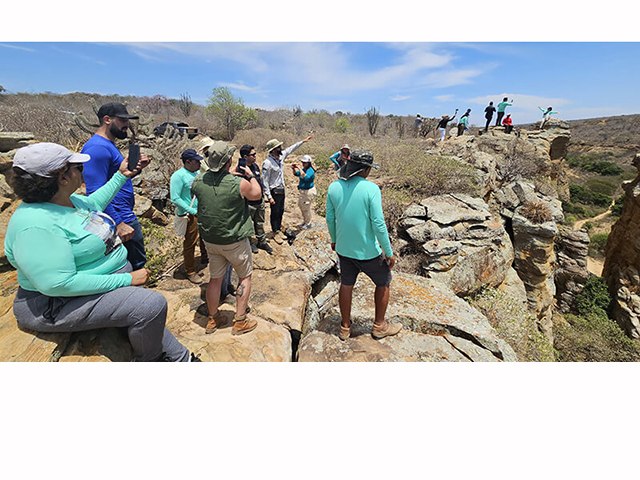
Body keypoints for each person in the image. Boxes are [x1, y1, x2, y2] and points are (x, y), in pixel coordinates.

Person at [4, 142, 197, 362]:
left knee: (144, 308)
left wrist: (121, 175)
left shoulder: (65, 202)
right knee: (151, 306)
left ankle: (182, 358)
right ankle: (151, 359)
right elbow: (58, 284)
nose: (81, 172)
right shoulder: (36, 224)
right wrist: (126, 279)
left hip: (86, 286)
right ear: (63, 178)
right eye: (78, 167)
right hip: (55, 303)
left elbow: (93, 204)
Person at [325, 149, 402, 342]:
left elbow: (330, 218)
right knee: (383, 281)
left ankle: (344, 327)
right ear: (365, 169)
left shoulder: (334, 187)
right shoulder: (371, 189)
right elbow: (378, 223)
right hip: (368, 252)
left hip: (344, 249)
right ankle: (379, 326)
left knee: (346, 284)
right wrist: (389, 252)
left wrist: (335, 239)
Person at [191, 141, 263, 336]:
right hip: (235, 241)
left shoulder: (198, 181)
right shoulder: (238, 183)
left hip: (211, 241)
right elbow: (256, 195)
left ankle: (213, 319)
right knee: (244, 277)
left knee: (215, 279)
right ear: (228, 161)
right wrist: (251, 175)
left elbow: (204, 191)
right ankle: (240, 321)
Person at [81, 102, 147, 270]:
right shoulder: (97, 148)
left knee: (135, 264)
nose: (127, 125)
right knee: (132, 267)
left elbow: (117, 177)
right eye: (122, 120)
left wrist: (137, 168)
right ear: (107, 119)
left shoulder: (107, 144)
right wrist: (117, 222)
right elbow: (94, 192)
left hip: (122, 213)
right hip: (118, 217)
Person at [262, 134, 314, 239]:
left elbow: (291, 148)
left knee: (280, 210)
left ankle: (278, 229)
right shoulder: (268, 163)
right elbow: (265, 181)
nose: (281, 148)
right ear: (273, 150)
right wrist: (269, 196)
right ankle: (275, 231)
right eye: (278, 147)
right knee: (275, 211)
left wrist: (303, 141)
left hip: (282, 189)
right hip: (274, 190)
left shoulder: (281, 157)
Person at [170, 149, 209, 284]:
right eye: (196, 161)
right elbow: (175, 198)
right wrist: (191, 210)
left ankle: (205, 257)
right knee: (190, 242)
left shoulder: (197, 173)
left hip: (201, 210)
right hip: (189, 214)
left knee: (204, 236)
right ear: (188, 162)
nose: (199, 163)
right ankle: (190, 270)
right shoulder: (178, 176)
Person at [236, 144, 272, 254]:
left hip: (259, 200)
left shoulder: (255, 166)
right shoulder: (240, 170)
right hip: (248, 202)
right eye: (253, 154)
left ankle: (262, 241)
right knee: (249, 224)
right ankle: (250, 243)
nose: (255, 156)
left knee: (260, 222)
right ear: (245, 156)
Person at [292, 155, 316, 229]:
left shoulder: (310, 171)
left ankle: (308, 223)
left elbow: (306, 178)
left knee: (306, 208)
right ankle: (305, 221)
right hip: (303, 191)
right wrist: (294, 169)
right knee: (301, 206)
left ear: (308, 163)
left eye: (304, 162)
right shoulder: (304, 169)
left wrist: (299, 168)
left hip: (308, 191)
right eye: (302, 162)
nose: (303, 164)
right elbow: (297, 174)